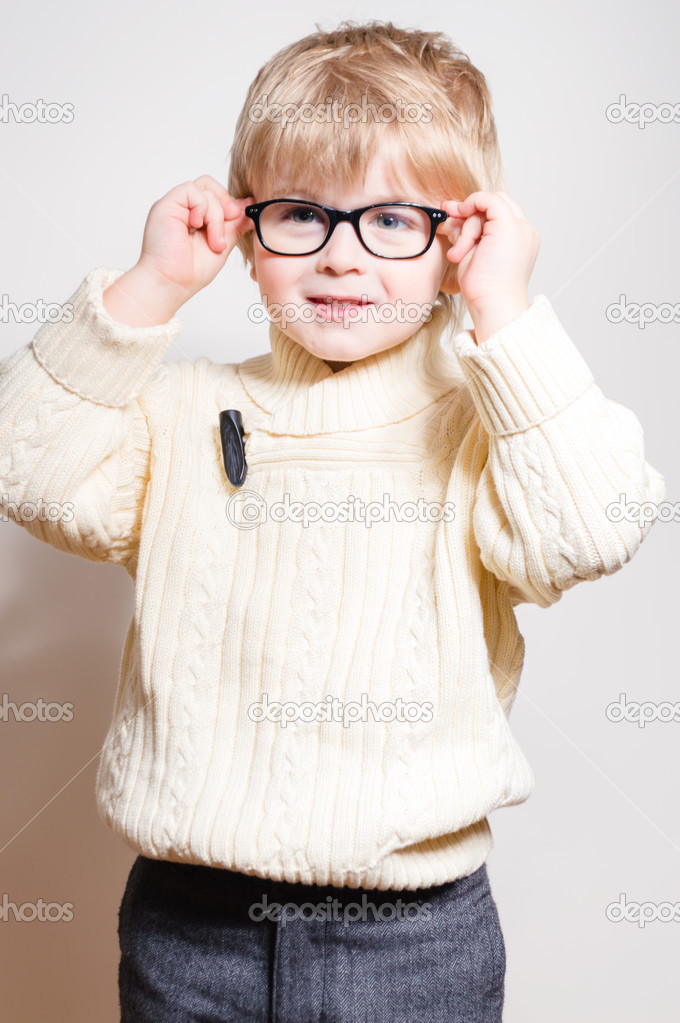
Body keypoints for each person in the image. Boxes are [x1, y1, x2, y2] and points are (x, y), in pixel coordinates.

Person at [0, 19, 666, 1023]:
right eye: (303, 215)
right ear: (245, 232)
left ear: (458, 241)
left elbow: (589, 528)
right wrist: (147, 291)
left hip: (415, 941)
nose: (343, 259)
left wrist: (508, 315)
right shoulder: (180, 412)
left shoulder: (482, 420)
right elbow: (29, 466)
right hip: (191, 928)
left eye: (392, 220)